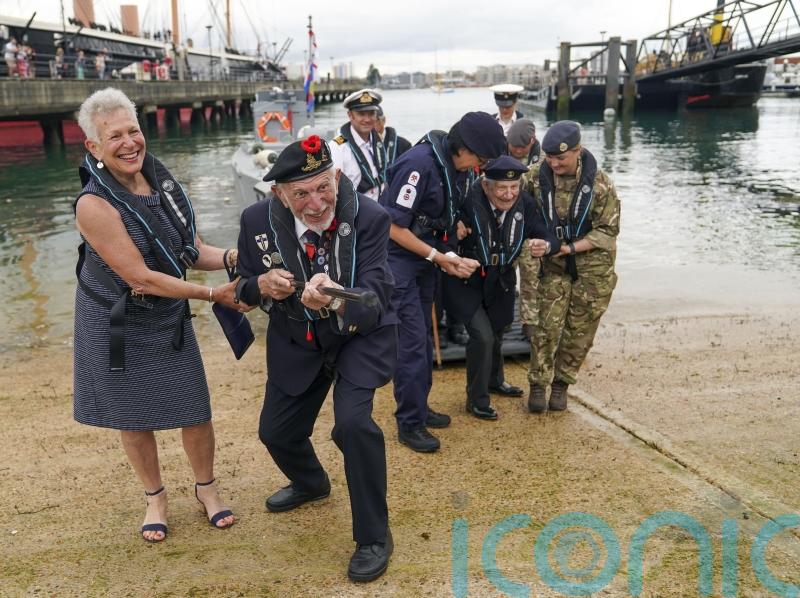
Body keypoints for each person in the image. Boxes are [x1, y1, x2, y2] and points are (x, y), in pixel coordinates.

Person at [72, 87, 243, 543]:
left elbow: (191, 250)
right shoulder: (94, 205)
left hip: (165, 313)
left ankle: (206, 488)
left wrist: (237, 258)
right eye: (114, 137)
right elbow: (140, 277)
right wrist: (213, 295)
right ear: (93, 147)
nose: (129, 143)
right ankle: (155, 497)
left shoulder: (162, 185)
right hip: (116, 320)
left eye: (133, 131)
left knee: (195, 407)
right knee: (133, 416)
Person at [236, 135, 396, 582]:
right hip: (296, 337)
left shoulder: (372, 216)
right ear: (279, 195)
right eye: (301, 193)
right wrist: (261, 286)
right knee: (276, 432)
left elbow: (376, 299)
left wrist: (333, 297)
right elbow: (243, 286)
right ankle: (311, 483)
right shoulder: (255, 221)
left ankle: (373, 536)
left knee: (353, 425)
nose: (315, 202)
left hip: (358, 336)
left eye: (323, 187)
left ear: (338, 177)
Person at [379, 111, 506, 453]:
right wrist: (439, 257)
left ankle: (419, 407)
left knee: (423, 339)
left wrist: (450, 250)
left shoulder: (454, 167)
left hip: (426, 259)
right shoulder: (418, 165)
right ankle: (409, 423)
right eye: (478, 160)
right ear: (462, 149)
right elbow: (392, 226)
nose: (478, 168)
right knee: (411, 345)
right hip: (401, 261)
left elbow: (441, 216)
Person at [445, 156, 558, 420]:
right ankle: (477, 399)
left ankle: (495, 381)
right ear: (486, 186)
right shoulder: (467, 201)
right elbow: (443, 235)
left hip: (502, 279)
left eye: (514, 187)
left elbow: (547, 233)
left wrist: (546, 246)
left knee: (498, 331)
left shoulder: (526, 204)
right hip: (467, 280)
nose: (509, 194)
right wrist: (454, 235)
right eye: (502, 188)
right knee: (482, 336)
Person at [525, 121, 620, 413]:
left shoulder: (601, 185)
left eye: (560, 158)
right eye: (549, 157)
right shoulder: (534, 178)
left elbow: (608, 232)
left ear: (578, 151)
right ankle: (538, 384)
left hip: (591, 266)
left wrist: (569, 248)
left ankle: (561, 384)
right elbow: (515, 206)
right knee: (545, 326)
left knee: (579, 329)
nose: (553, 163)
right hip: (551, 264)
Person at [507, 118, 544, 341]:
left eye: (522, 148)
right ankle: (502, 321)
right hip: (505, 230)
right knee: (504, 277)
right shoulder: (499, 156)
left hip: (531, 231)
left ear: (532, 141)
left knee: (531, 280)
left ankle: (529, 325)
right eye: (514, 148)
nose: (518, 151)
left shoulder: (545, 160)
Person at [329, 88, 386, 201]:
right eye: (361, 114)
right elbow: (333, 189)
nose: (367, 119)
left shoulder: (377, 140)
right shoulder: (337, 148)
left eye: (371, 114)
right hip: (357, 213)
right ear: (350, 115)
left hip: (381, 208)